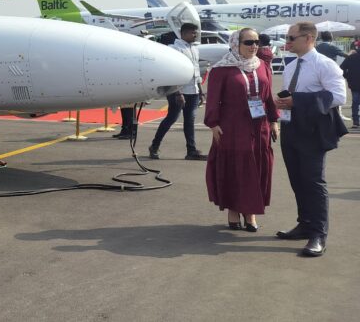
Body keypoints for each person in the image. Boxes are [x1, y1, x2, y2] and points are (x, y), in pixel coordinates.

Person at [274, 21, 348, 257]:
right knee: (297, 179)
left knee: (313, 182)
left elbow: (339, 96)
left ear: (308, 38)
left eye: (291, 37)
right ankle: (305, 223)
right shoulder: (290, 66)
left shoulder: (325, 65)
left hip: (313, 131)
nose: (287, 41)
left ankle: (318, 234)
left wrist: (298, 100)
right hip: (291, 127)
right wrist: (284, 103)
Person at [204, 28, 279, 232]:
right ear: (236, 44)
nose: (254, 46)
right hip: (232, 127)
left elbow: (268, 96)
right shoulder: (221, 69)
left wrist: (274, 120)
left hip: (259, 125)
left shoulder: (262, 66)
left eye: (256, 42)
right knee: (235, 169)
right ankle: (234, 210)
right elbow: (213, 100)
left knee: (257, 167)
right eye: (248, 42)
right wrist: (213, 123)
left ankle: (250, 212)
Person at [149, 23, 207, 160]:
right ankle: (154, 146)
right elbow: (171, 71)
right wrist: (177, 93)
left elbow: (196, 70)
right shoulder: (174, 49)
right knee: (171, 118)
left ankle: (191, 151)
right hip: (178, 90)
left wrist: (200, 90)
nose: (195, 35)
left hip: (193, 90)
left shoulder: (194, 49)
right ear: (184, 34)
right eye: (192, 33)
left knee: (190, 121)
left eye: (196, 32)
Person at [341, 50, 360, 130]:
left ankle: (356, 122)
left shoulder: (351, 57)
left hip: (354, 83)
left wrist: (347, 76)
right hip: (354, 83)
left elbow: (341, 68)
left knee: (355, 102)